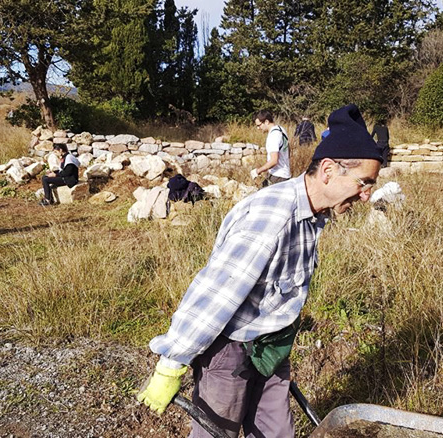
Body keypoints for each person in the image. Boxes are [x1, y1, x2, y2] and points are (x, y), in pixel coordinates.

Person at [137, 104, 383, 438]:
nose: (367, 196)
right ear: (328, 170)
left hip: (270, 347)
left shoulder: (314, 214)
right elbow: (215, 295)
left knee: (276, 431)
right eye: (363, 183)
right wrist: (171, 363)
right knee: (217, 433)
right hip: (230, 351)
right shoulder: (272, 219)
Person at [250, 110, 290, 187]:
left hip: (277, 176)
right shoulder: (281, 130)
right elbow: (288, 149)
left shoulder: (273, 136)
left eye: (259, 125)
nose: (258, 128)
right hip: (285, 174)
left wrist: (258, 171)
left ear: (266, 122)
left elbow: (274, 161)